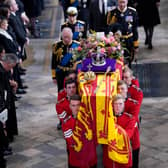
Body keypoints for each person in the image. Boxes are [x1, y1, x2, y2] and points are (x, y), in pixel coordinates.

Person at [62, 94, 97, 167]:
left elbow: (95, 138)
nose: (76, 108)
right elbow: (71, 142)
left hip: (90, 160)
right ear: (70, 106)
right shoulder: (66, 123)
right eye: (73, 105)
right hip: (76, 161)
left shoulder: (90, 120)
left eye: (78, 105)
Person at [103, 94, 136, 168]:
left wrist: (112, 133)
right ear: (112, 105)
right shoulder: (106, 119)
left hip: (123, 154)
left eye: (120, 104)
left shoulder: (130, 119)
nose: (118, 106)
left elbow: (127, 135)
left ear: (124, 104)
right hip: (109, 157)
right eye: (115, 104)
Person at [107, 0, 139, 67]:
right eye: (120, 2)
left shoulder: (132, 12)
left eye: (123, 2)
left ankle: (128, 75)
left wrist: (136, 45)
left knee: (129, 60)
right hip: (117, 42)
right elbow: (109, 29)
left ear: (127, 2)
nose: (122, 4)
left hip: (129, 40)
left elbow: (135, 29)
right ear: (117, 2)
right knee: (118, 62)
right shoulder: (112, 13)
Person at [117, 80, 140, 168]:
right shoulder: (114, 104)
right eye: (118, 89)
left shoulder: (133, 104)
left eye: (122, 89)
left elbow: (132, 121)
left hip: (131, 139)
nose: (120, 91)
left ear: (127, 90)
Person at [51, 27, 79, 91]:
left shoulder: (77, 46)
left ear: (72, 36)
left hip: (73, 73)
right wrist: (54, 77)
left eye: (68, 37)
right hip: (60, 73)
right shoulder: (56, 46)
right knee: (61, 91)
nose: (66, 39)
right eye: (64, 37)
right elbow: (53, 62)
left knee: (73, 90)